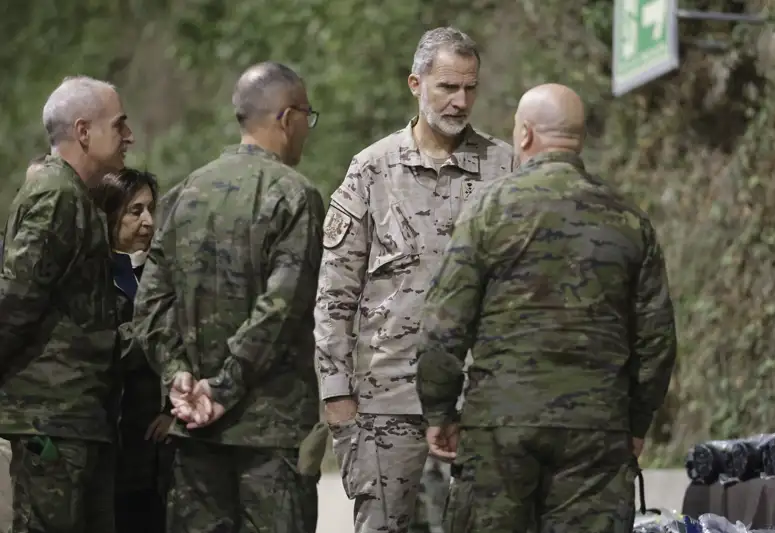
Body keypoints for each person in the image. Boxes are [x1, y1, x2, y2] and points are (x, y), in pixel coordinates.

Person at [414, 83, 678, 533]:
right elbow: (656, 341)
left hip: (501, 428)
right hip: (596, 431)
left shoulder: (488, 210)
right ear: (578, 139)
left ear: (526, 136)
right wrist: (635, 421)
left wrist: (439, 411)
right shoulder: (629, 220)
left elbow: (443, 327)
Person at [314, 26, 514, 533]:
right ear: (415, 83)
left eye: (469, 88)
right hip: (387, 405)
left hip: (482, 401)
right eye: (447, 87)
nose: (459, 101)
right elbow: (334, 294)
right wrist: (337, 398)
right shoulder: (371, 171)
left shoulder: (506, 168)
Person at [132, 61, 323, 533]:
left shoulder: (184, 194)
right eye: (307, 117)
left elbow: (150, 304)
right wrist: (224, 386)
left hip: (194, 430)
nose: (306, 129)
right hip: (269, 434)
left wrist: (178, 378)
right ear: (286, 118)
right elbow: (281, 307)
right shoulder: (295, 196)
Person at [0, 75, 134, 533]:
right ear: (82, 131)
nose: (129, 137)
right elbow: (16, 299)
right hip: (50, 422)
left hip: (78, 418)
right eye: (119, 126)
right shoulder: (55, 194)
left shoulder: (75, 196)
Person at [93, 168, 175, 533]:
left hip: (161, 450)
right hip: (111, 447)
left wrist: (174, 409)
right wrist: (157, 329)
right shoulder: (90, 276)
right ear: (109, 214)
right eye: (135, 210)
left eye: (150, 209)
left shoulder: (163, 271)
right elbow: (100, 347)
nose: (148, 221)